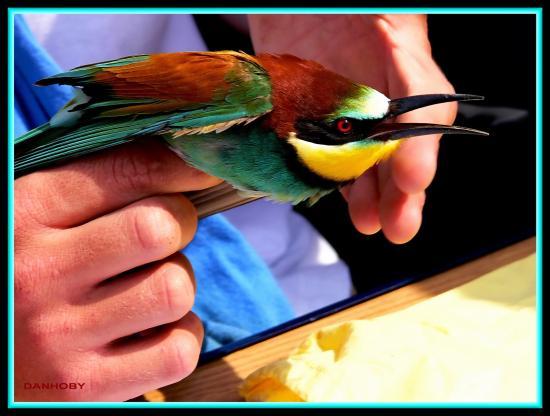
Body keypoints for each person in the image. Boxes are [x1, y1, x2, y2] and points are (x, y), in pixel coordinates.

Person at [14, 14, 456, 401]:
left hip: (294, 313)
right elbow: (90, 128)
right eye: (345, 126)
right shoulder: (245, 93)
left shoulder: (300, 165)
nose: (386, 128)